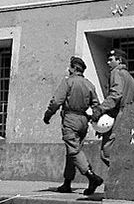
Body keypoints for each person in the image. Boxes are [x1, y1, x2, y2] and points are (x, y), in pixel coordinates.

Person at [43, 56, 102, 195]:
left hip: (70, 118)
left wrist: (48, 115)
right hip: (83, 120)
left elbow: (56, 101)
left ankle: (91, 176)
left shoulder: (68, 82)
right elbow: (96, 105)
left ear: (74, 68)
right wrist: (93, 118)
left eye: (70, 67)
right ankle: (67, 183)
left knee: (74, 151)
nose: (68, 69)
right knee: (72, 152)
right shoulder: (89, 84)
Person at [90, 49, 134, 168]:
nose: (108, 63)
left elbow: (116, 94)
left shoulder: (116, 73)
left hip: (119, 115)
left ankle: (119, 181)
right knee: (121, 151)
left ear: (119, 60)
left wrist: (101, 109)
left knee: (107, 152)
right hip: (128, 115)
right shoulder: (129, 76)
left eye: (111, 60)